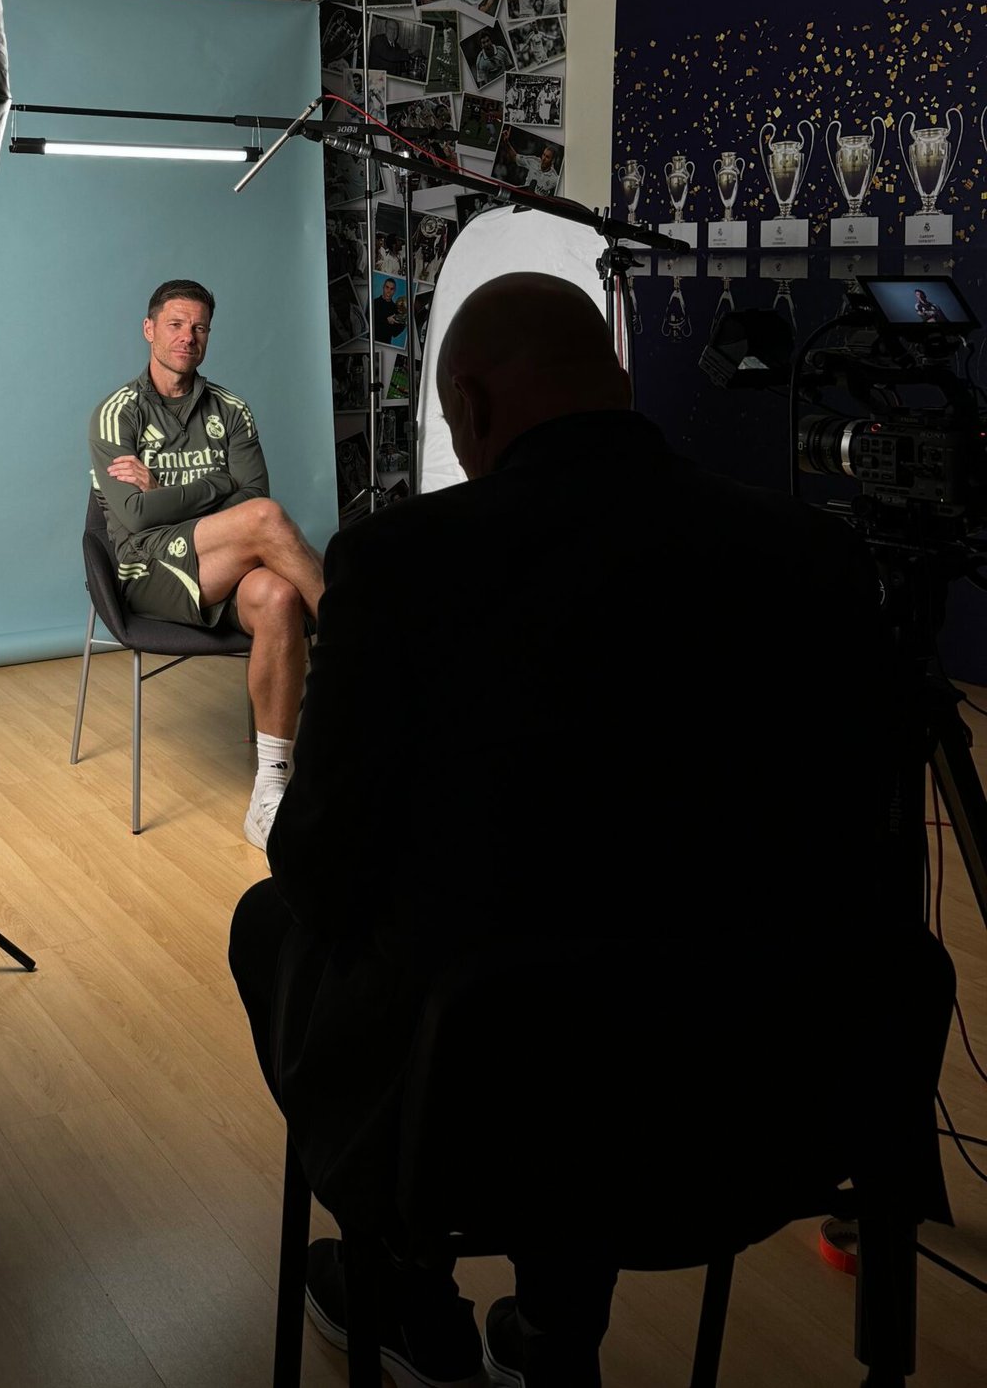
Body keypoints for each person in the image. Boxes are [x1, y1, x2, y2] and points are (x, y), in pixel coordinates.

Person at [229, 273, 910, 1388]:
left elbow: (317, 864)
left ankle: (407, 1290)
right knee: (607, 968)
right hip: (758, 1091)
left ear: (471, 403)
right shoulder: (811, 553)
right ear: (619, 387)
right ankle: (556, 1333)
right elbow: (856, 840)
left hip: (485, 1090)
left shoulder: (402, 561)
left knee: (276, 925)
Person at [88, 279, 324, 849]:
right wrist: (218, 484)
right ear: (149, 329)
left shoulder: (231, 410)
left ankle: (270, 788)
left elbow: (254, 493)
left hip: (220, 560)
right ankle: (362, 640)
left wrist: (164, 487)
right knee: (266, 519)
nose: (187, 337)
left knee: (278, 596)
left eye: (199, 328)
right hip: (145, 569)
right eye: (175, 324)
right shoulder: (117, 413)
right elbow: (137, 516)